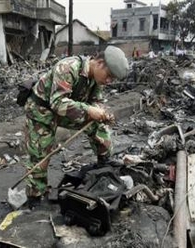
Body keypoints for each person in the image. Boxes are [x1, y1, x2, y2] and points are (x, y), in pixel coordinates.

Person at [23, 46, 129, 205]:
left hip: (68, 108)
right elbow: (58, 103)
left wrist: (102, 113)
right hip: (42, 109)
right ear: (99, 63)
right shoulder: (68, 67)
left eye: (112, 80)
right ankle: (35, 195)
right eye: (109, 76)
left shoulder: (96, 79)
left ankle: (104, 163)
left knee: (98, 125)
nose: (109, 81)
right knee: (41, 152)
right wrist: (89, 110)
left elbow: (96, 101)